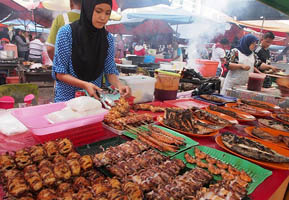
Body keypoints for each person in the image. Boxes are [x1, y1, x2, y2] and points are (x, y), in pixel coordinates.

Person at [52, 0, 130, 102]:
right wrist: (84, 85)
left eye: (107, 13)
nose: (103, 17)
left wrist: (120, 85)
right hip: (67, 100)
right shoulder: (66, 33)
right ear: (88, 9)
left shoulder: (108, 39)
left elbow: (110, 70)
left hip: (93, 100)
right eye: (98, 11)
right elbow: (60, 73)